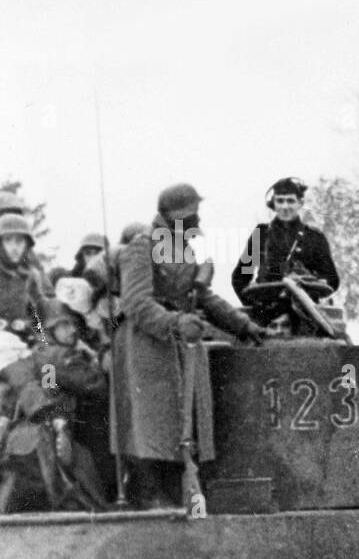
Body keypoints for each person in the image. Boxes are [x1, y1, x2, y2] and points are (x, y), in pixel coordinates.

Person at [112, 183, 266, 508]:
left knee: (180, 423)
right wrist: (173, 322)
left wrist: (241, 324)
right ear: (170, 216)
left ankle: (173, 492)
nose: (196, 219)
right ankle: (149, 493)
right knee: (150, 422)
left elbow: (202, 296)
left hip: (179, 344)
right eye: (189, 213)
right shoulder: (141, 248)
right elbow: (136, 302)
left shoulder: (183, 249)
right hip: (146, 347)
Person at [0, 298, 108, 512]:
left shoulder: (35, 355)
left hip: (27, 438)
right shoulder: (59, 354)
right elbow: (95, 385)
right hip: (52, 435)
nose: (72, 330)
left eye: (72, 323)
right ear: (48, 329)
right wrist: (94, 358)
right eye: (63, 325)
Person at [232, 177, 339, 325]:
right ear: (273, 204)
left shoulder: (314, 238)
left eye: (290, 201)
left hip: (305, 316)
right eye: (280, 201)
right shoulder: (261, 234)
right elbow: (239, 278)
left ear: (300, 203)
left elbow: (332, 280)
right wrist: (256, 307)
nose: (285, 206)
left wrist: (309, 288)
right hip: (266, 316)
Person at [0, 213, 48, 336]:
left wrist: (27, 325)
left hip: (19, 338)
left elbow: (39, 310)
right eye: (8, 240)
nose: (14, 247)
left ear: (26, 245)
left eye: (19, 241)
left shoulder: (30, 275)